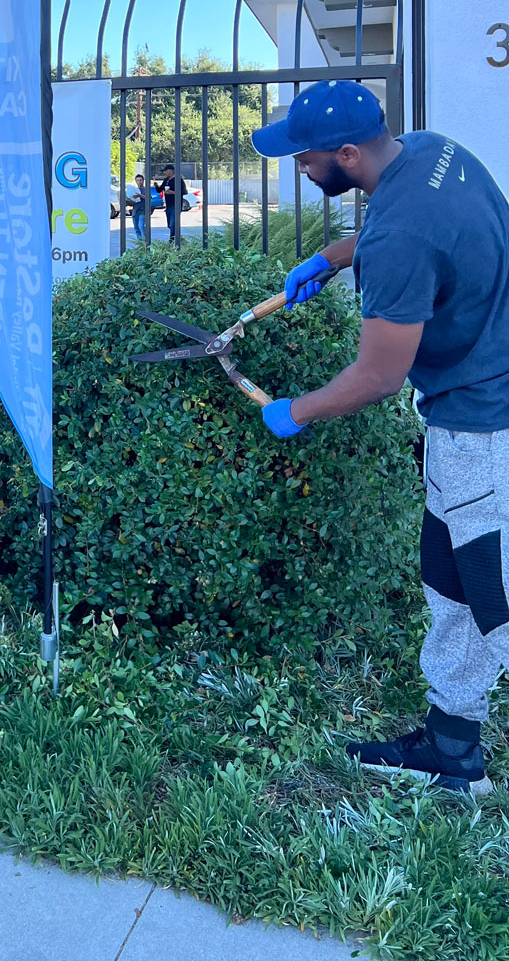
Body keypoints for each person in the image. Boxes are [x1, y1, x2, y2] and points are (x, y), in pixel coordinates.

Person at [252, 79, 509, 796]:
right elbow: (422, 228)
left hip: (480, 428)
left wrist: (294, 411)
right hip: (485, 397)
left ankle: (455, 751)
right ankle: (452, 747)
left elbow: (376, 377)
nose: (297, 170)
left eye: (304, 159)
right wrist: (333, 257)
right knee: (450, 577)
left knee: (486, 596)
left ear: (344, 153)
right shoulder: (429, 151)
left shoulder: (400, 239)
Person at [155, 164, 187, 238]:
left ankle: (173, 239)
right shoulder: (166, 180)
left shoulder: (178, 180)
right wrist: (156, 185)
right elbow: (160, 190)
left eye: (165, 171)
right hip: (168, 205)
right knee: (169, 224)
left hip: (176, 205)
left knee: (173, 223)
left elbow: (184, 191)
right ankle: (177, 237)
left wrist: (173, 192)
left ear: (170, 171)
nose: (164, 173)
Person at [132, 173, 153, 241]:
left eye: (140, 180)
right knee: (136, 228)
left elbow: (149, 198)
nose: (139, 182)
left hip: (143, 211)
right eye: (137, 180)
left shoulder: (145, 189)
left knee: (141, 226)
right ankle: (140, 243)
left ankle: (145, 243)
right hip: (135, 211)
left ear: (143, 181)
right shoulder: (134, 190)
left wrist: (140, 195)